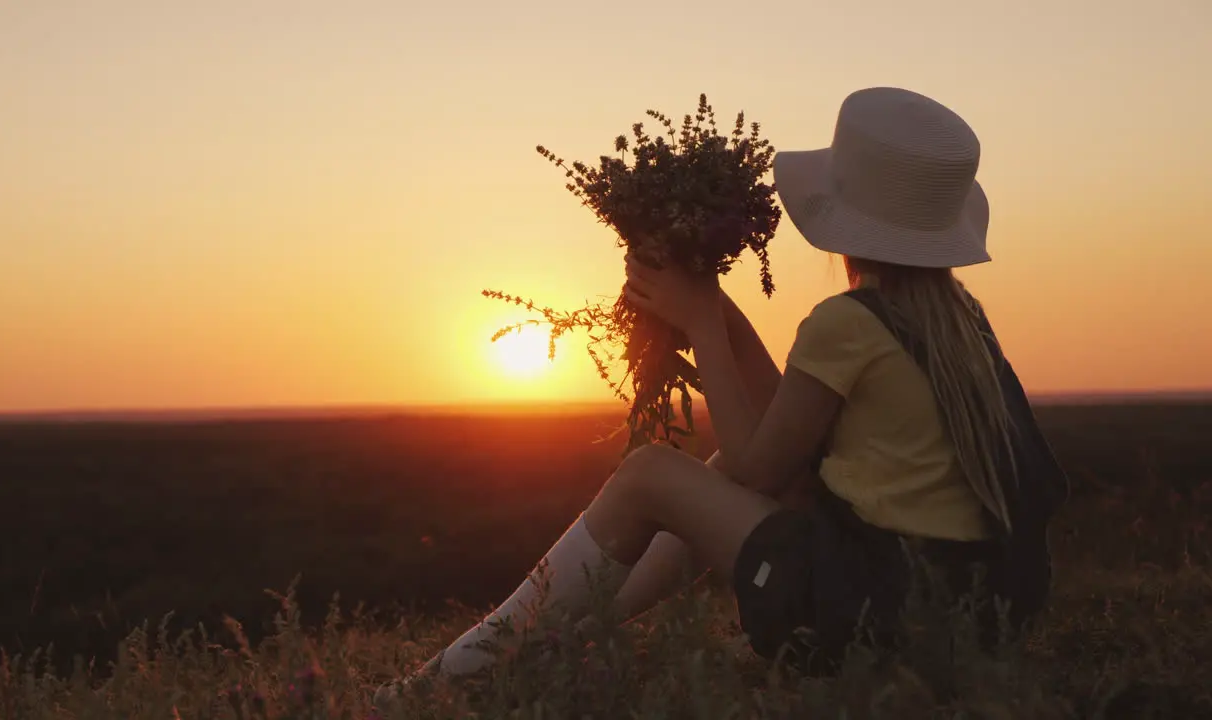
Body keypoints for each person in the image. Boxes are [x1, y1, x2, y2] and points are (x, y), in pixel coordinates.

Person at [375, 86, 1066, 705]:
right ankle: (567, 639)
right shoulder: (956, 323)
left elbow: (758, 466)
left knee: (653, 473)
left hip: (875, 617)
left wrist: (701, 321)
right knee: (708, 479)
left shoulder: (849, 324)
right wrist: (717, 309)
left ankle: (454, 677)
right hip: (960, 617)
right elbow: (786, 430)